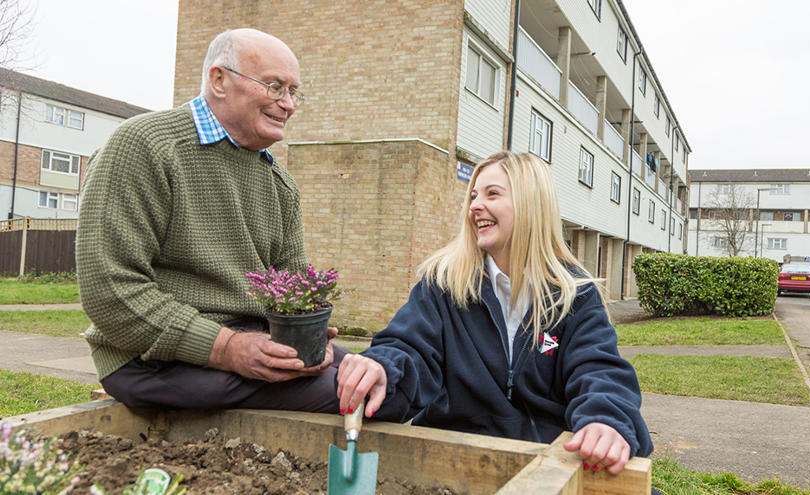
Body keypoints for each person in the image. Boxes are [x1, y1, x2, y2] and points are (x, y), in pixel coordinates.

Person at [77, 28, 347, 413]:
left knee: (378, 373)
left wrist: (311, 333)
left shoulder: (279, 182)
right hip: (151, 360)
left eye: (293, 92)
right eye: (274, 87)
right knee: (360, 394)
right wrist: (227, 348)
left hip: (254, 341)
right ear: (219, 80)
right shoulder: (144, 145)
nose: (288, 104)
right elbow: (110, 291)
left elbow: (293, 290)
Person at [337, 151, 653, 475]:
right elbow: (410, 347)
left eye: (492, 194)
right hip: (455, 465)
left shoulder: (575, 296)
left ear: (531, 205)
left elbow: (598, 371)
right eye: (473, 195)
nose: (474, 206)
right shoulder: (443, 284)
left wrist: (605, 421)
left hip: (544, 467)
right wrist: (383, 367)